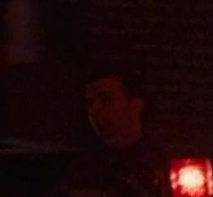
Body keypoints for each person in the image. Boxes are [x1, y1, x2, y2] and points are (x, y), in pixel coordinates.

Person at [60, 68, 165, 197]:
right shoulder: (83, 170)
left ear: (135, 105)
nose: (94, 109)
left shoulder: (162, 162)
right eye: (90, 103)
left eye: (106, 100)